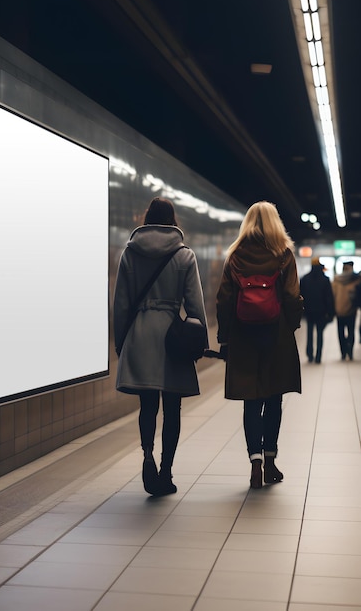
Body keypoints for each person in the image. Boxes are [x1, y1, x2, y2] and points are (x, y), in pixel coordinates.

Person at [113, 197, 208, 497]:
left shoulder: (131, 252)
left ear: (147, 218)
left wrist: (121, 343)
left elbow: (121, 304)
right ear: (173, 221)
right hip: (172, 339)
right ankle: (166, 471)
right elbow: (195, 306)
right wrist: (199, 340)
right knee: (173, 408)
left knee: (147, 405)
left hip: (140, 337)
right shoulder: (184, 256)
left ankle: (147, 455)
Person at [216, 201, 302, 489]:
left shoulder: (235, 256)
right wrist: (291, 326)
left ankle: (254, 463)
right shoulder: (283, 255)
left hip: (243, 336)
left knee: (251, 401)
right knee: (274, 399)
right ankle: (271, 461)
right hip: (275, 335)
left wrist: (225, 337)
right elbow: (291, 296)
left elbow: (224, 300)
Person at [299, 256, 334, 364]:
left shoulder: (304, 279)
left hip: (309, 311)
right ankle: (318, 356)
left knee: (309, 334)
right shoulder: (325, 279)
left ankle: (310, 355)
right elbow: (329, 297)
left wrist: (301, 311)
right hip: (321, 311)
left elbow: (301, 296)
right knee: (320, 334)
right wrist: (331, 312)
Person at [331, 260, 360, 360]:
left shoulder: (336, 279)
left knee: (340, 331)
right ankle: (350, 352)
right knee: (351, 331)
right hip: (351, 309)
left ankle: (343, 352)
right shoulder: (356, 279)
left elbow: (333, 295)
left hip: (339, 309)